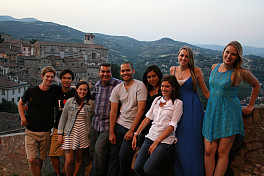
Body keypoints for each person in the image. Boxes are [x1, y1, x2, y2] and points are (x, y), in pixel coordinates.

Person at [202, 41, 260, 176]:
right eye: (227, 52)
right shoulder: (214, 67)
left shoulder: (240, 72)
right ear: (223, 52)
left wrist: (250, 105)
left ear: (237, 57)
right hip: (212, 111)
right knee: (209, 151)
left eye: (233, 54)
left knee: (223, 152)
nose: (228, 56)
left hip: (229, 113)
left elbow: (256, 85)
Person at [132, 75, 183, 176]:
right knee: (137, 167)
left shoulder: (177, 103)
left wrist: (157, 142)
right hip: (150, 137)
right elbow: (147, 118)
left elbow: (172, 126)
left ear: (173, 88)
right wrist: (136, 134)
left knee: (148, 169)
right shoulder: (157, 100)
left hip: (164, 141)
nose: (164, 89)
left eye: (167, 86)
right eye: (162, 86)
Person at [170, 46, 209, 176]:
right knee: (179, 143)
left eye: (187, 56)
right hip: (177, 109)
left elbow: (205, 92)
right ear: (178, 56)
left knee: (193, 144)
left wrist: (219, 105)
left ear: (190, 59)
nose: (184, 58)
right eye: (182, 55)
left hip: (193, 110)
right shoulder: (172, 70)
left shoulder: (196, 71)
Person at [18, 66, 59, 176]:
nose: (50, 79)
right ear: (42, 76)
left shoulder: (54, 90)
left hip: (46, 132)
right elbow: (20, 103)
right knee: (32, 160)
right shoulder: (31, 91)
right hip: (31, 131)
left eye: (52, 77)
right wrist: (23, 118)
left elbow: (67, 88)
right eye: (47, 76)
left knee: (40, 160)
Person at [108, 62, 148, 176]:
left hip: (131, 128)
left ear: (133, 71)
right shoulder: (117, 88)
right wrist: (111, 132)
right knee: (114, 156)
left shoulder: (139, 86)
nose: (125, 73)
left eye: (127, 70)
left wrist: (132, 130)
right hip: (119, 126)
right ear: (120, 73)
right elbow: (113, 111)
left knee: (123, 157)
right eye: (123, 71)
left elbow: (141, 110)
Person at [89, 63, 122, 176]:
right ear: (99, 73)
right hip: (95, 123)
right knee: (92, 151)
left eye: (108, 71)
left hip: (108, 125)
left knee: (99, 151)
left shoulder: (118, 84)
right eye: (103, 71)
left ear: (111, 73)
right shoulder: (97, 84)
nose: (105, 74)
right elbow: (92, 97)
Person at [58, 81, 95, 176]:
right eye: (80, 89)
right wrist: (60, 134)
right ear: (77, 90)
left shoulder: (91, 103)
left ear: (88, 91)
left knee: (79, 158)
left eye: (85, 89)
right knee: (69, 160)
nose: (82, 91)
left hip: (83, 133)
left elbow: (94, 118)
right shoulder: (70, 101)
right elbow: (63, 117)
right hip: (70, 132)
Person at [49, 69, 76, 176]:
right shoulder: (56, 91)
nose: (66, 80)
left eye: (69, 78)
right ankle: (57, 172)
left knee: (67, 154)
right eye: (64, 78)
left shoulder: (75, 93)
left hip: (71, 129)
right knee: (52, 153)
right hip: (57, 127)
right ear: (60, 79)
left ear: (72, 80)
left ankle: (64, 173)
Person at [141, 65, 163, 137]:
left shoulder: (163, 91)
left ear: (159, 76)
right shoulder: (145, 90)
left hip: (157, 125)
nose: (152, 79)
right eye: (149, 77)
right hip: (144, 123)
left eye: (154, 76)